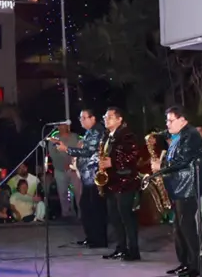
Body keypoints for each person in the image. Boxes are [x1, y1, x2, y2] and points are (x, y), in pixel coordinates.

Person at [153, 106, 202, 277]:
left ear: (183, 120)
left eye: (171, 120)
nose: (167, 124)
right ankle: (185, 263)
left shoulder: (190, 135)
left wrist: (161, 166)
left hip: (188, 188)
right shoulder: (180, 135)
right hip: (179, 187)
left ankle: (196, 266)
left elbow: (182, 160)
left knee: (187, 227)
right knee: (179, 228)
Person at [55, 109, 108, 247]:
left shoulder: (96, 131)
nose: (81, 120)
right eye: (80, 118)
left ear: (93, 118)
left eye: (84, 118)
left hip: (94, 175)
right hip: (87, 176)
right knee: (86, 207)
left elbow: (88, 151)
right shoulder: (89, 132)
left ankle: (99, 239)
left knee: (94, 208)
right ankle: (91, 237)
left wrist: (67, 149)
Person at [100, 107, 141, 261]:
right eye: (105, 116)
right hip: (111, 182)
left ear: (119, 119)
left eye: (110, 117)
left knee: (126, 217)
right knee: (114, 217)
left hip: (125, 182)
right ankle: (121, 248)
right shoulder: (106, 136)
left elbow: (133, 156)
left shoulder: (127, 135)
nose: (106, 119)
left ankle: (133, 250)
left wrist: (113, 162)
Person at [48, 123, 82, 217]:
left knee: (78, 193)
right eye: (59, 125)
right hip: (60, 170)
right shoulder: (54, 139)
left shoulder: (75, 137)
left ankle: (81, 213)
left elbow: (78, 151)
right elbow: (53, 154)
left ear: (67, 126)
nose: (61, 127)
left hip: (74, 169)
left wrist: (71, 163)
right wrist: (63, 164)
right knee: (62, 193)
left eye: (63, 125)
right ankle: (66, 214)